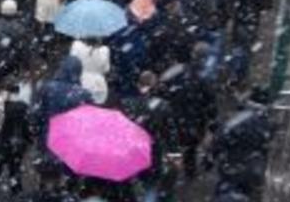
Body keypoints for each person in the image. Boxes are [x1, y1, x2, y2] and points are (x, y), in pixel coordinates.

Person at [160, 43, 218, 179]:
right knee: (190, 149)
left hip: (175, 118)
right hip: (195, 120)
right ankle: (189, 173)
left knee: (174, 147)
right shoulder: (203, 79)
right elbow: (210, 103)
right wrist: (213, 122)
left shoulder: (178, 72)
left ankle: (172, 174)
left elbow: (164, 90)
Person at [121, 71, 180, 202]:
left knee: (134, 186)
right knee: (151, 186)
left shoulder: (127, 104)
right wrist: (174, 154)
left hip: (132, 154)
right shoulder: (163, 106)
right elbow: (170, 134)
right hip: (153, 154)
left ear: (138, 85)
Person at [212, 87, 273, 200]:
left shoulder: (237, 119)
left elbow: (219, 140)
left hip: (232, 167)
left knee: (226, 192)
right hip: (255, 168)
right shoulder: (267, 121)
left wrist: (211, 157)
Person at [0, 78, 33, 202]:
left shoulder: (0, 108)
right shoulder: (23, 107)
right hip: (15, 147)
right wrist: (28, 140)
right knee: (14, 174)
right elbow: (26, 128)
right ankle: (17, 197)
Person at [31, 56, 93, 150]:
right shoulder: (84, 94)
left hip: (48, 138)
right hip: (72, 144)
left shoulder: (47, 88)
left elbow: (36, 114)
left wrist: (39, 131)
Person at [230, 0, 271, 87]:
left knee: (238, 46)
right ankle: (241, 75)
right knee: (247, 48)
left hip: (240, 18)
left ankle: (235, 74)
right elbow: (267, 4)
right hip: (253, 19)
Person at [0, 0, 31, 96]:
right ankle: (11, 100)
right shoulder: (20, 28)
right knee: (13, 87)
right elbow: (24, 50)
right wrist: (26, 66)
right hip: (13, 64)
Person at [69, 39, 111, 105]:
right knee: (95, 108)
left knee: (79, 107)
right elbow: (106, 69)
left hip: (81, 81)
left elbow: (72, 63)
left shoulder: (76, 46)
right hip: (99, 84)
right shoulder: (104, 50)